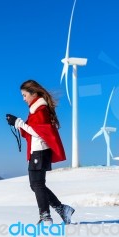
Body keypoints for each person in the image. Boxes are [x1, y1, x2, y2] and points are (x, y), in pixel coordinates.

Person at [6, 79, 75, 224]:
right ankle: (62, 209)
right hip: (38, 151)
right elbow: (33, 130)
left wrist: (18, 122)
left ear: (34, 93)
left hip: (40, 151)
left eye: (25, 95)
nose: (24, 99)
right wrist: (17, 124)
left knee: (37, 184)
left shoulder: (40, 109)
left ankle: (45, 216)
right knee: (36, 185)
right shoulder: (36, 110)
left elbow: (39, 131)